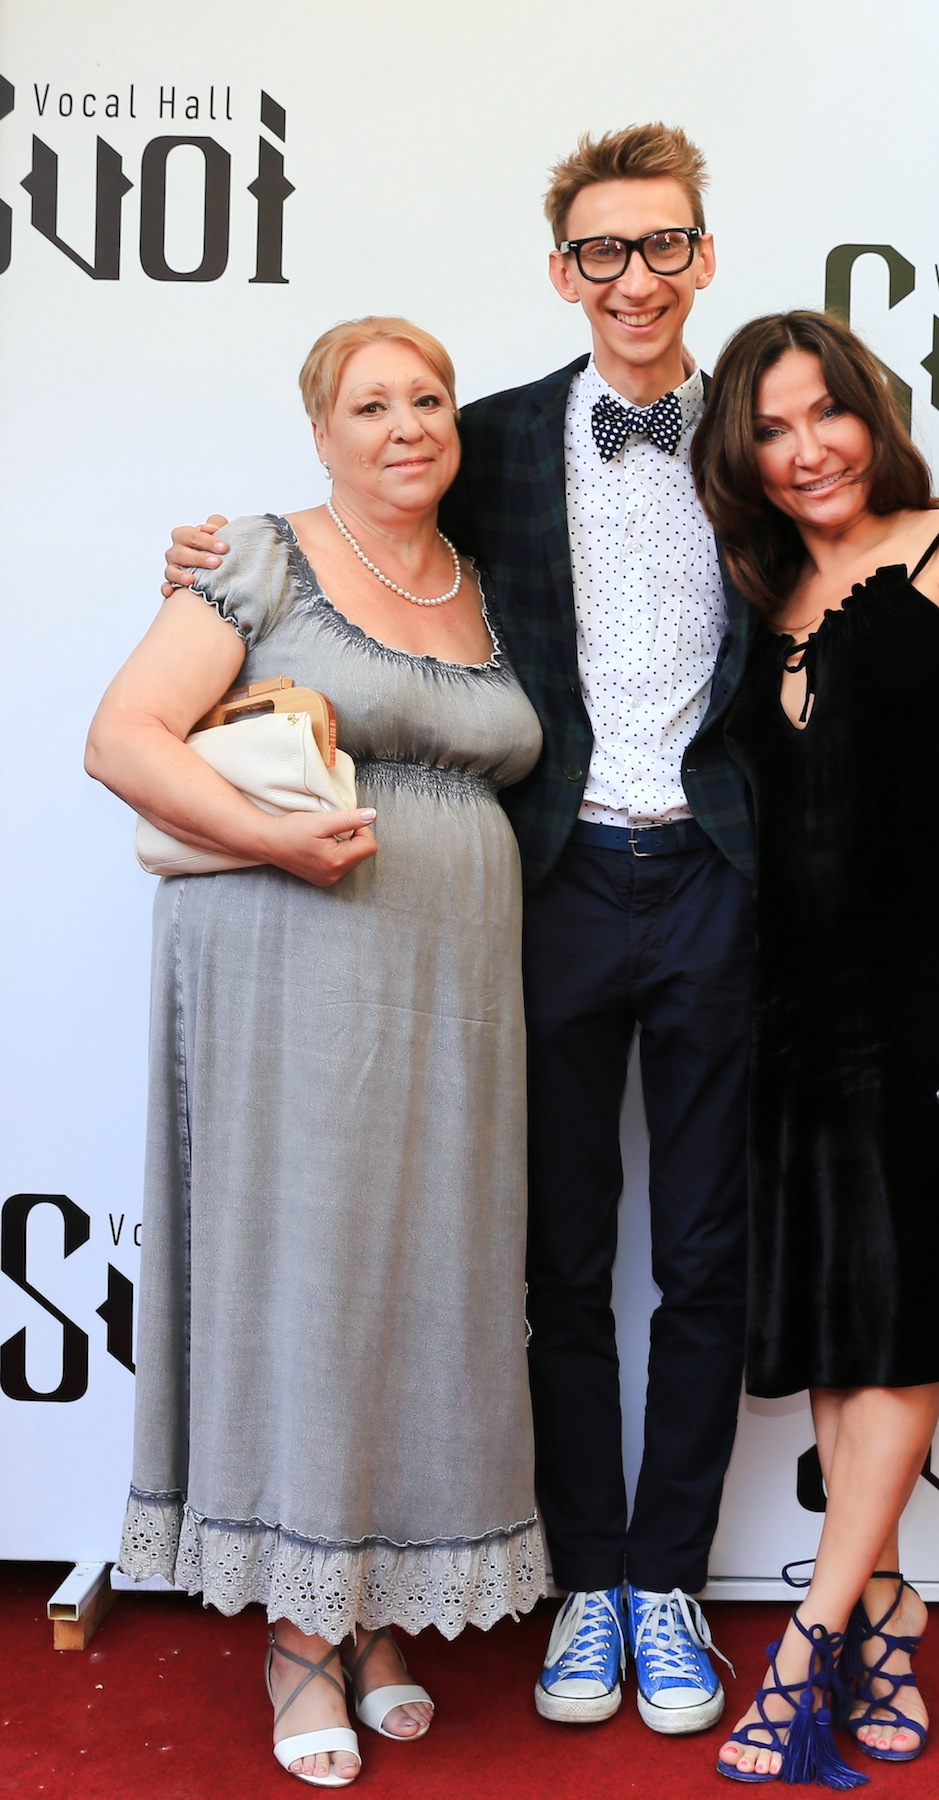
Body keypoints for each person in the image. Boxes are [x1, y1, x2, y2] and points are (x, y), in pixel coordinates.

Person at [160, 124, 939, 1740]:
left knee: (706, 1257)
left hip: (727, 887)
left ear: (703, 257)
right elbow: (365, 522)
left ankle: (665, 1585)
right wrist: (215, 560)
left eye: (662, 246)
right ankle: (584, 1580)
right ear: (562, 271)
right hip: (547, 883)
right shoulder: (492, 439)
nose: (634, 278)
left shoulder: (764, 445)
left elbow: (878, 552)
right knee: (557, 1256)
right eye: (601, 251)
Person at [86, 316, 545, 1788]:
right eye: (371, 404)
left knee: (431, 1282)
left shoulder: (491, 581)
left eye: (429, 399)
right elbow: (123, 737)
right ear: (321, 432)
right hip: (291, 962)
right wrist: (276, 836)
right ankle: (299, 1631)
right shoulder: (260, 556)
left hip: (458, 985)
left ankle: (381, 1604)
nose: (406, 425)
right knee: (309, 1276)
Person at [690, 310, 939, 1785]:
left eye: (825, 414)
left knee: (905, 1322)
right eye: (771, 431)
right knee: (851, 1327)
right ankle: (890, 1607)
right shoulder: (763, 589)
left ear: (873, 410)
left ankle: (808, 1647)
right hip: (799, 1008)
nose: (807, 451)